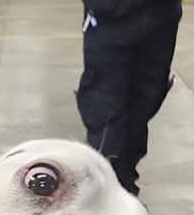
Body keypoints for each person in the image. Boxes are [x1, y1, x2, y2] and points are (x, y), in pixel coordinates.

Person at [76, 0, 183, 197]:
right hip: (110, 19)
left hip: (161, 16)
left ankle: (125, 187)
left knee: (143, 106)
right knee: (106, 113)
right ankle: (105, 195)